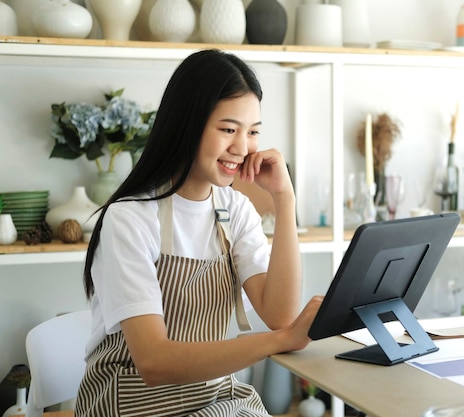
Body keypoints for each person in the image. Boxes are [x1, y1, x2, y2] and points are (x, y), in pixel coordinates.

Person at [75, 49, 322, 416]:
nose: (241, 148)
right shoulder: (129, 219)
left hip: (209, 396)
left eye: (252, 132)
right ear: (187, 125)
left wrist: (285, 200)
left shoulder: (235, 211)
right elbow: (154, 361)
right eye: (227, 129)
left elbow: (279, 315)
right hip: (131, 401)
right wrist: (280, 341)